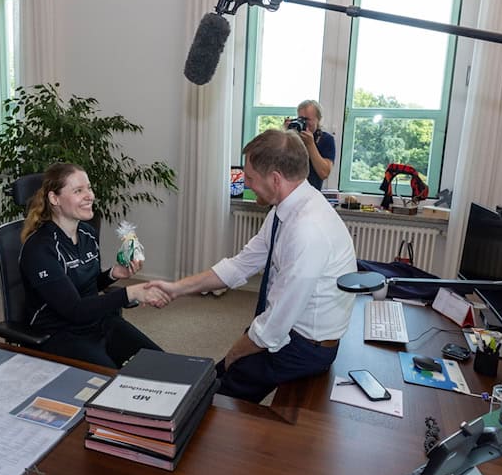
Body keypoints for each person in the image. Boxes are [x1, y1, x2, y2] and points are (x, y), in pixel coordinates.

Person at [147, 130, 357, 402]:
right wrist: (176, 288)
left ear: (275, 179)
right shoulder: (286, 210)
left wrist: (235, 352)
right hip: (290, 331)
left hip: (306, 348)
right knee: (214, 376)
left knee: (218, 395)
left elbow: (274, 325)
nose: (246, 184)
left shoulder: (307, 229)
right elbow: (239, 266)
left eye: (250, 178)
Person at [19, 163, 168, 368]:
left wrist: (113, 274)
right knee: (113, 386)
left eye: (88, 188)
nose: (90, 195)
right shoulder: (39, 248)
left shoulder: (87, 234)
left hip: (97, 321)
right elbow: (74, 309)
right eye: (78, 190)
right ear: (55, 199)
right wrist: (131, 292)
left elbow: (85, 285)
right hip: (59, 333)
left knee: (163, 366)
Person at [284, 99, 335, 190]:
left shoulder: (325, 139)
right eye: (300, 118)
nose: (303, 122)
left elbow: (324, 173)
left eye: (307, 119)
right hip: (287, 192)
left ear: (318, 120)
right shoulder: (292, 137)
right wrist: (285, 134)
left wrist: (310, 144)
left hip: (310, 194)